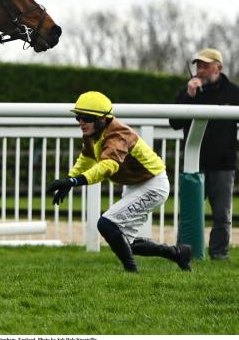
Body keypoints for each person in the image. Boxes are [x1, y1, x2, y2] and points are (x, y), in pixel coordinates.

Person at [47, 91, 192, 272]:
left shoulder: (118, 135)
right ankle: (178, 254)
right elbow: (86, 159)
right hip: (135, 184)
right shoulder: (93, 132)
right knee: (125, 243)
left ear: (103, 119)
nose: (81, 122)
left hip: (153, 184)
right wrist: (68, 180)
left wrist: (74, 182)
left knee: (106, 224)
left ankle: (131, 271)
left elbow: (107, 167)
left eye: (86, 117)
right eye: (78, 117)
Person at [170, 48, 239, 261]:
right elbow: (174, 122)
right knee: (189, 214)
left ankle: (219, 254)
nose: (200, 70)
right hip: (194, 163)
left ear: (218, 67)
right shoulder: (188, 92)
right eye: (198, 65)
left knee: (222, 215)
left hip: (223, 163)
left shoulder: (234, 93)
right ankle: (185, 253)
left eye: (205, 66)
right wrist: (188, 96)